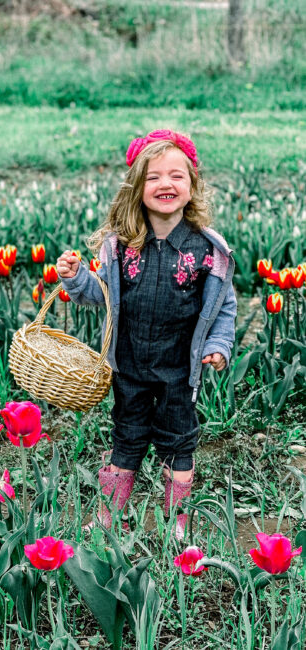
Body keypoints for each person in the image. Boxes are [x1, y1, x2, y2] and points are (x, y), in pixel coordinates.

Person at [56, 130, 237, 538]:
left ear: (192, 187)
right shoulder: (121, 246)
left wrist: (218, 346)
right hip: (131, 363)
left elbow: (223, 306)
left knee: (179, 438)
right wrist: (75, 277)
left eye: (177, 176)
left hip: (179, 366)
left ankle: (178, 521)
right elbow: (97, 293)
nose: (165, 184)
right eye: (153, 177)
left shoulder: (207, 250)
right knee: (128, 433)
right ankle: (110, 512)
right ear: (137, 188)